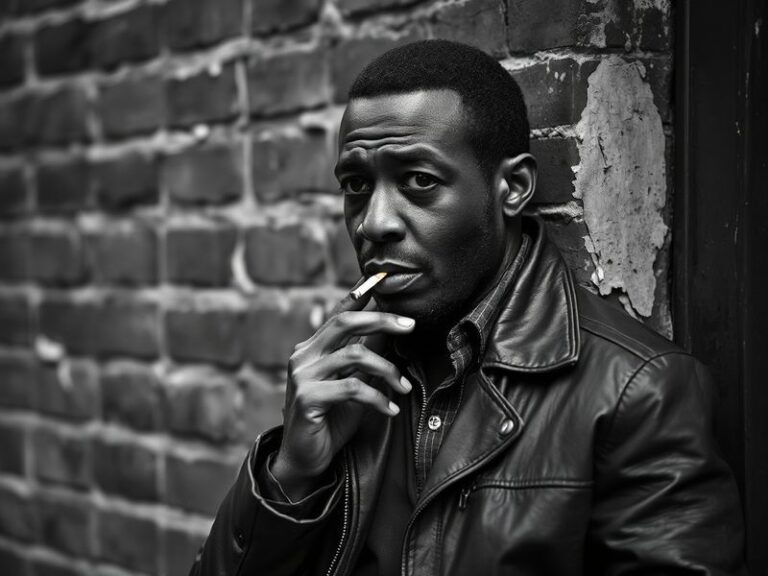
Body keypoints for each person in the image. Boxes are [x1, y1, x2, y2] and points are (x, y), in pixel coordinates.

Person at [190, 40, 745, 576]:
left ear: (513, 188)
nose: (373, 223)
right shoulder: (347, 381)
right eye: (356, 185)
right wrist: (291, 473)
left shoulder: (637, 392)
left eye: (419, 181)